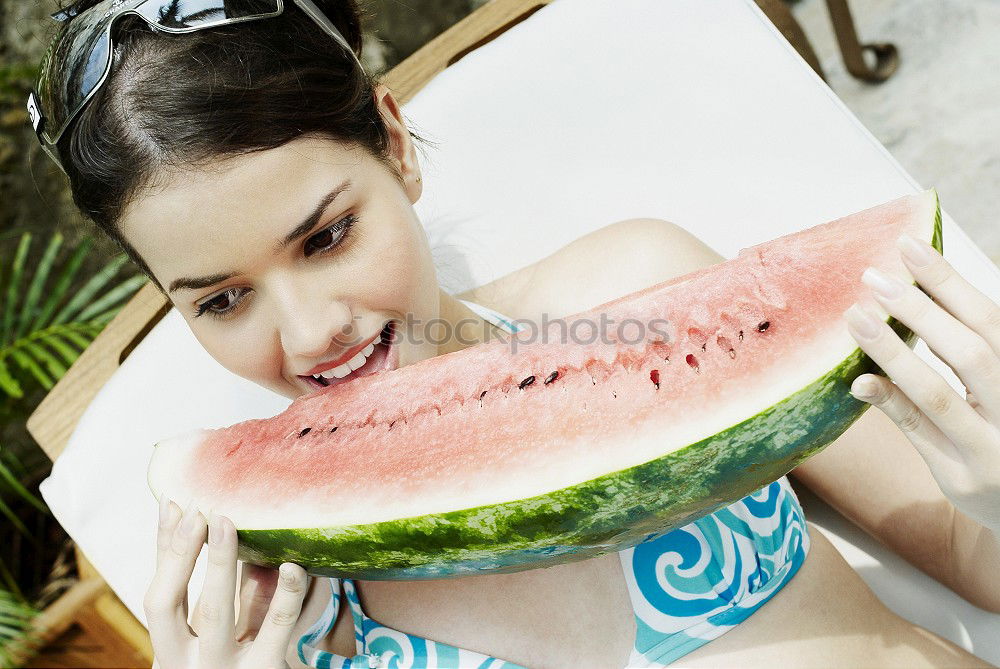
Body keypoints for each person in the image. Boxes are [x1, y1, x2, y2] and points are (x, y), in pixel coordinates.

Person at [27, 0, 1000, 667]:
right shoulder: (266, 593)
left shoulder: (635, 288)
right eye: (222, 301)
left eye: (327, 236)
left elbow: (965, 552)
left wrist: (993, 493)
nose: (312, 331)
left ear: (396, 147)